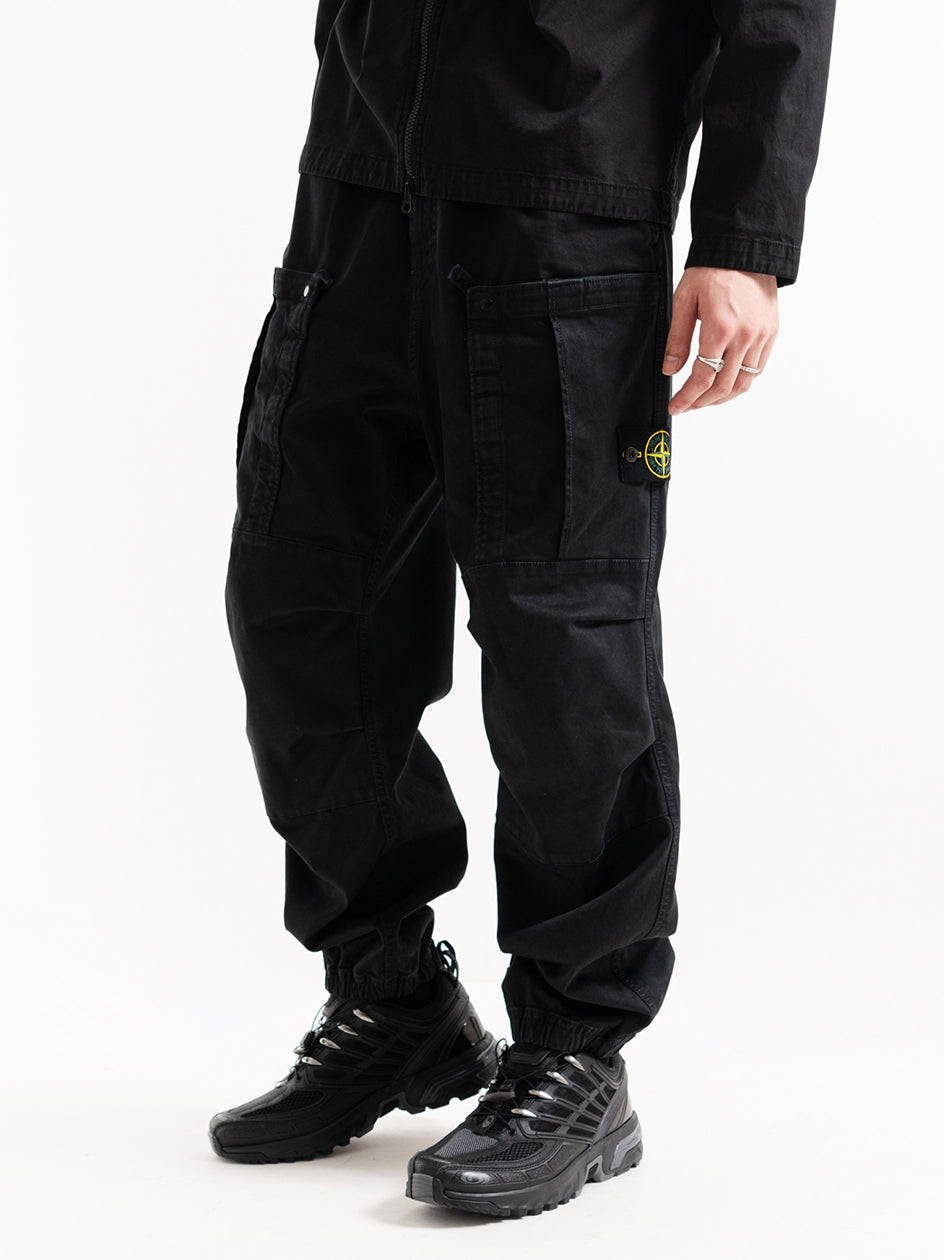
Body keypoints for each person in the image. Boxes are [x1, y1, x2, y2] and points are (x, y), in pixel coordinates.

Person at [210, 0, 836, 1218]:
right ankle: (392, 996)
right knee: (300, 608)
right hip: (355, 194)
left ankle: (576, 1050)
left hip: (562, 209)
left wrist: (744, 238)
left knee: (567, 653)